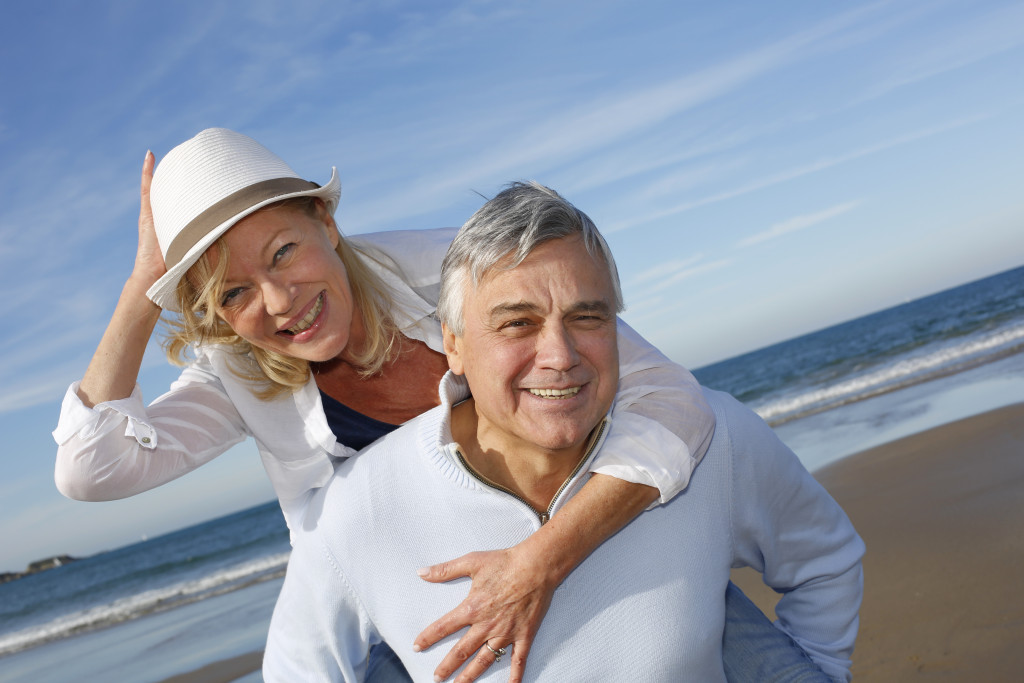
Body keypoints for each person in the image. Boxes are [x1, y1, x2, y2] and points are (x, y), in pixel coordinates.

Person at [52, 128, 724, 682]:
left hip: (580, 538)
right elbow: (91, 468)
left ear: (326, 221)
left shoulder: (458, 269)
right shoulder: (238, 371)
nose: (279, 301)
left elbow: (671, 398)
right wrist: (146, 286)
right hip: (409, 627)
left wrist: (543, 558)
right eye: (234, 292)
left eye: (284, 251)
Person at [262, 182, 865, 682]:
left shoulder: (715, 440)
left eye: (587, 317)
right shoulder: (355, 514)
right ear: (454, 343)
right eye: (517, 323)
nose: (560, 355)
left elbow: (826, 559)